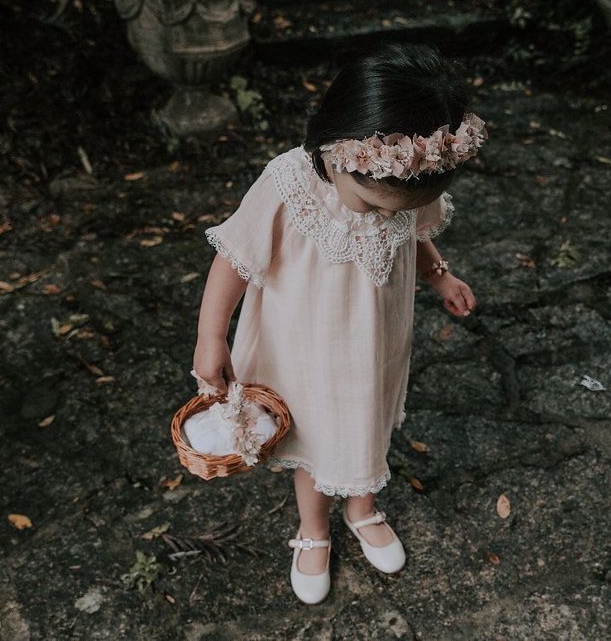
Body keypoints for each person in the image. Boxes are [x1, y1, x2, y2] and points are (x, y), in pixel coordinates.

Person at [192, 41, 483, 604]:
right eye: (373, 206)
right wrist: (211, 338)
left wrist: (440, 275)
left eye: (396, 208)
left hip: (376, 338)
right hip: (305, 343)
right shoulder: (287, 185)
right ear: (336, 150)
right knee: (316, 429)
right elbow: (231, 257)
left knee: (366, 417)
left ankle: (362, 507)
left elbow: (415, 233)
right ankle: (314, 530)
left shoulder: (406, 184)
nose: (386, 217)